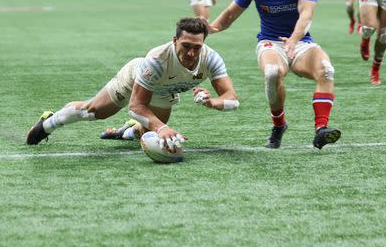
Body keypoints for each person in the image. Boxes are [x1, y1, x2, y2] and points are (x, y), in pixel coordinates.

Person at [207, 0, 341, 150]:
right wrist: (209, 29)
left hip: (300, 42)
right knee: (272, 72)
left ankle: (321, 129)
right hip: (270, 42)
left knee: (326, 70)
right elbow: (230, 14)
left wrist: (293, 40)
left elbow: (306, 14)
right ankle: (278, 125)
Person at [26, 17, 239, 150]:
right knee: (93, 112)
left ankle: (124, 132)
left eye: (197, 47)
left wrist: (212, 102)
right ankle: (48, 123)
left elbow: (232, 100)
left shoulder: (210, 58)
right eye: (186, 46)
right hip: (134, 78)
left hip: (163, 92)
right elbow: (136, 106)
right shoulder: (157, 60)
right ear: (175, 41)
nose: (192, 53)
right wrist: (163, 127)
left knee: (146, 133)